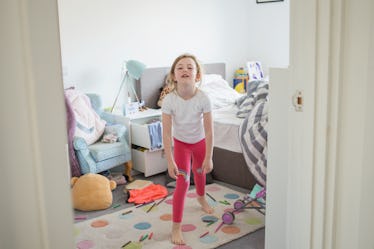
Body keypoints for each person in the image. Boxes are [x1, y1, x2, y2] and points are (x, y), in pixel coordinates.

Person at [161, 53, 214, 245]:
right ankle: (176, 226)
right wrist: (170, 161)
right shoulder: (169, 100)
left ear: (197, 76)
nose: (185, 70)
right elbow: (166, 134)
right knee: (182, 183)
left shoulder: (203, 98)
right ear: (174, 75)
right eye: (180, 67)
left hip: (199, 142)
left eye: (190, 67)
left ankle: (201, 197)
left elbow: (209, 131)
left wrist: (209, 156)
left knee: (200, 172)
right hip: (181, 144)